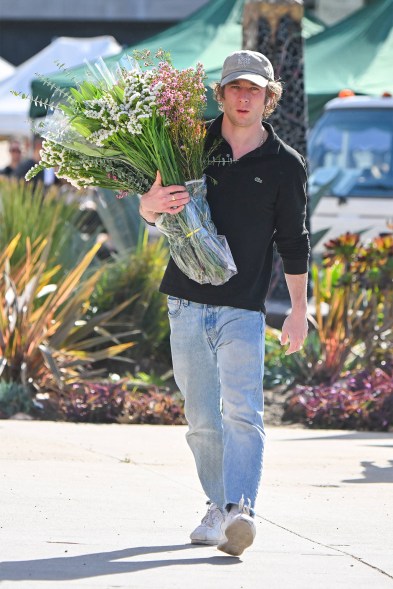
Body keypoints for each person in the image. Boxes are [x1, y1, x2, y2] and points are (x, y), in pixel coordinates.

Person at [139, 50, 310, 557]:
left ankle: (240, 510)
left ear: (269, 97)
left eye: (254, 89)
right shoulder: (189, 146)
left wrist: (298, 309)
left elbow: (294, 241)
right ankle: (218, 505)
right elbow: (151, 207)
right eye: (235, 87)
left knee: (242, 411)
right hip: (186, 302)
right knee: (201, 418)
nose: (243, 96)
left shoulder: (285, 165)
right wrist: (149, 207)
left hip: (244, 307)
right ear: (221, 93)